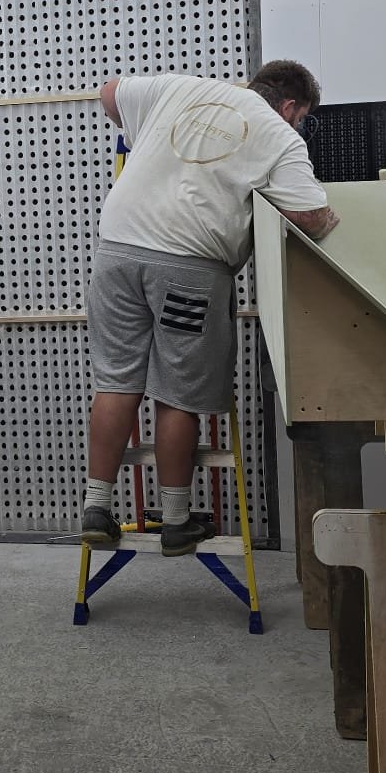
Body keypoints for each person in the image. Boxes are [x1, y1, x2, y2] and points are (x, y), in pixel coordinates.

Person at [81, 60, 339, 555]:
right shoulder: (279, 136)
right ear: (290, 106)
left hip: (116, 254)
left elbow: (109, 92)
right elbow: (309, 215)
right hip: (188, 269)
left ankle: (96, 508)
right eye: (302, 117)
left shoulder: (182, 88)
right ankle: (176, 521)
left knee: (115, 380)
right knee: (178, 391)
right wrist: (330, 218)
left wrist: (140, 132)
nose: (299, 125)